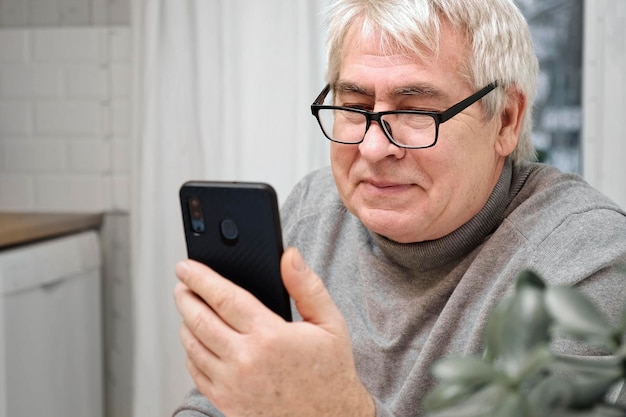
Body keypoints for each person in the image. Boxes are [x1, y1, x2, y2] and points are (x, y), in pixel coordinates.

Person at [172, 0, 626, 416]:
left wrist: (336, 409)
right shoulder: (314, 209)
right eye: (355, 105)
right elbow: (218, 402)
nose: (372, 148)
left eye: (415, 112)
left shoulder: (584, 257)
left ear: (505, 120)